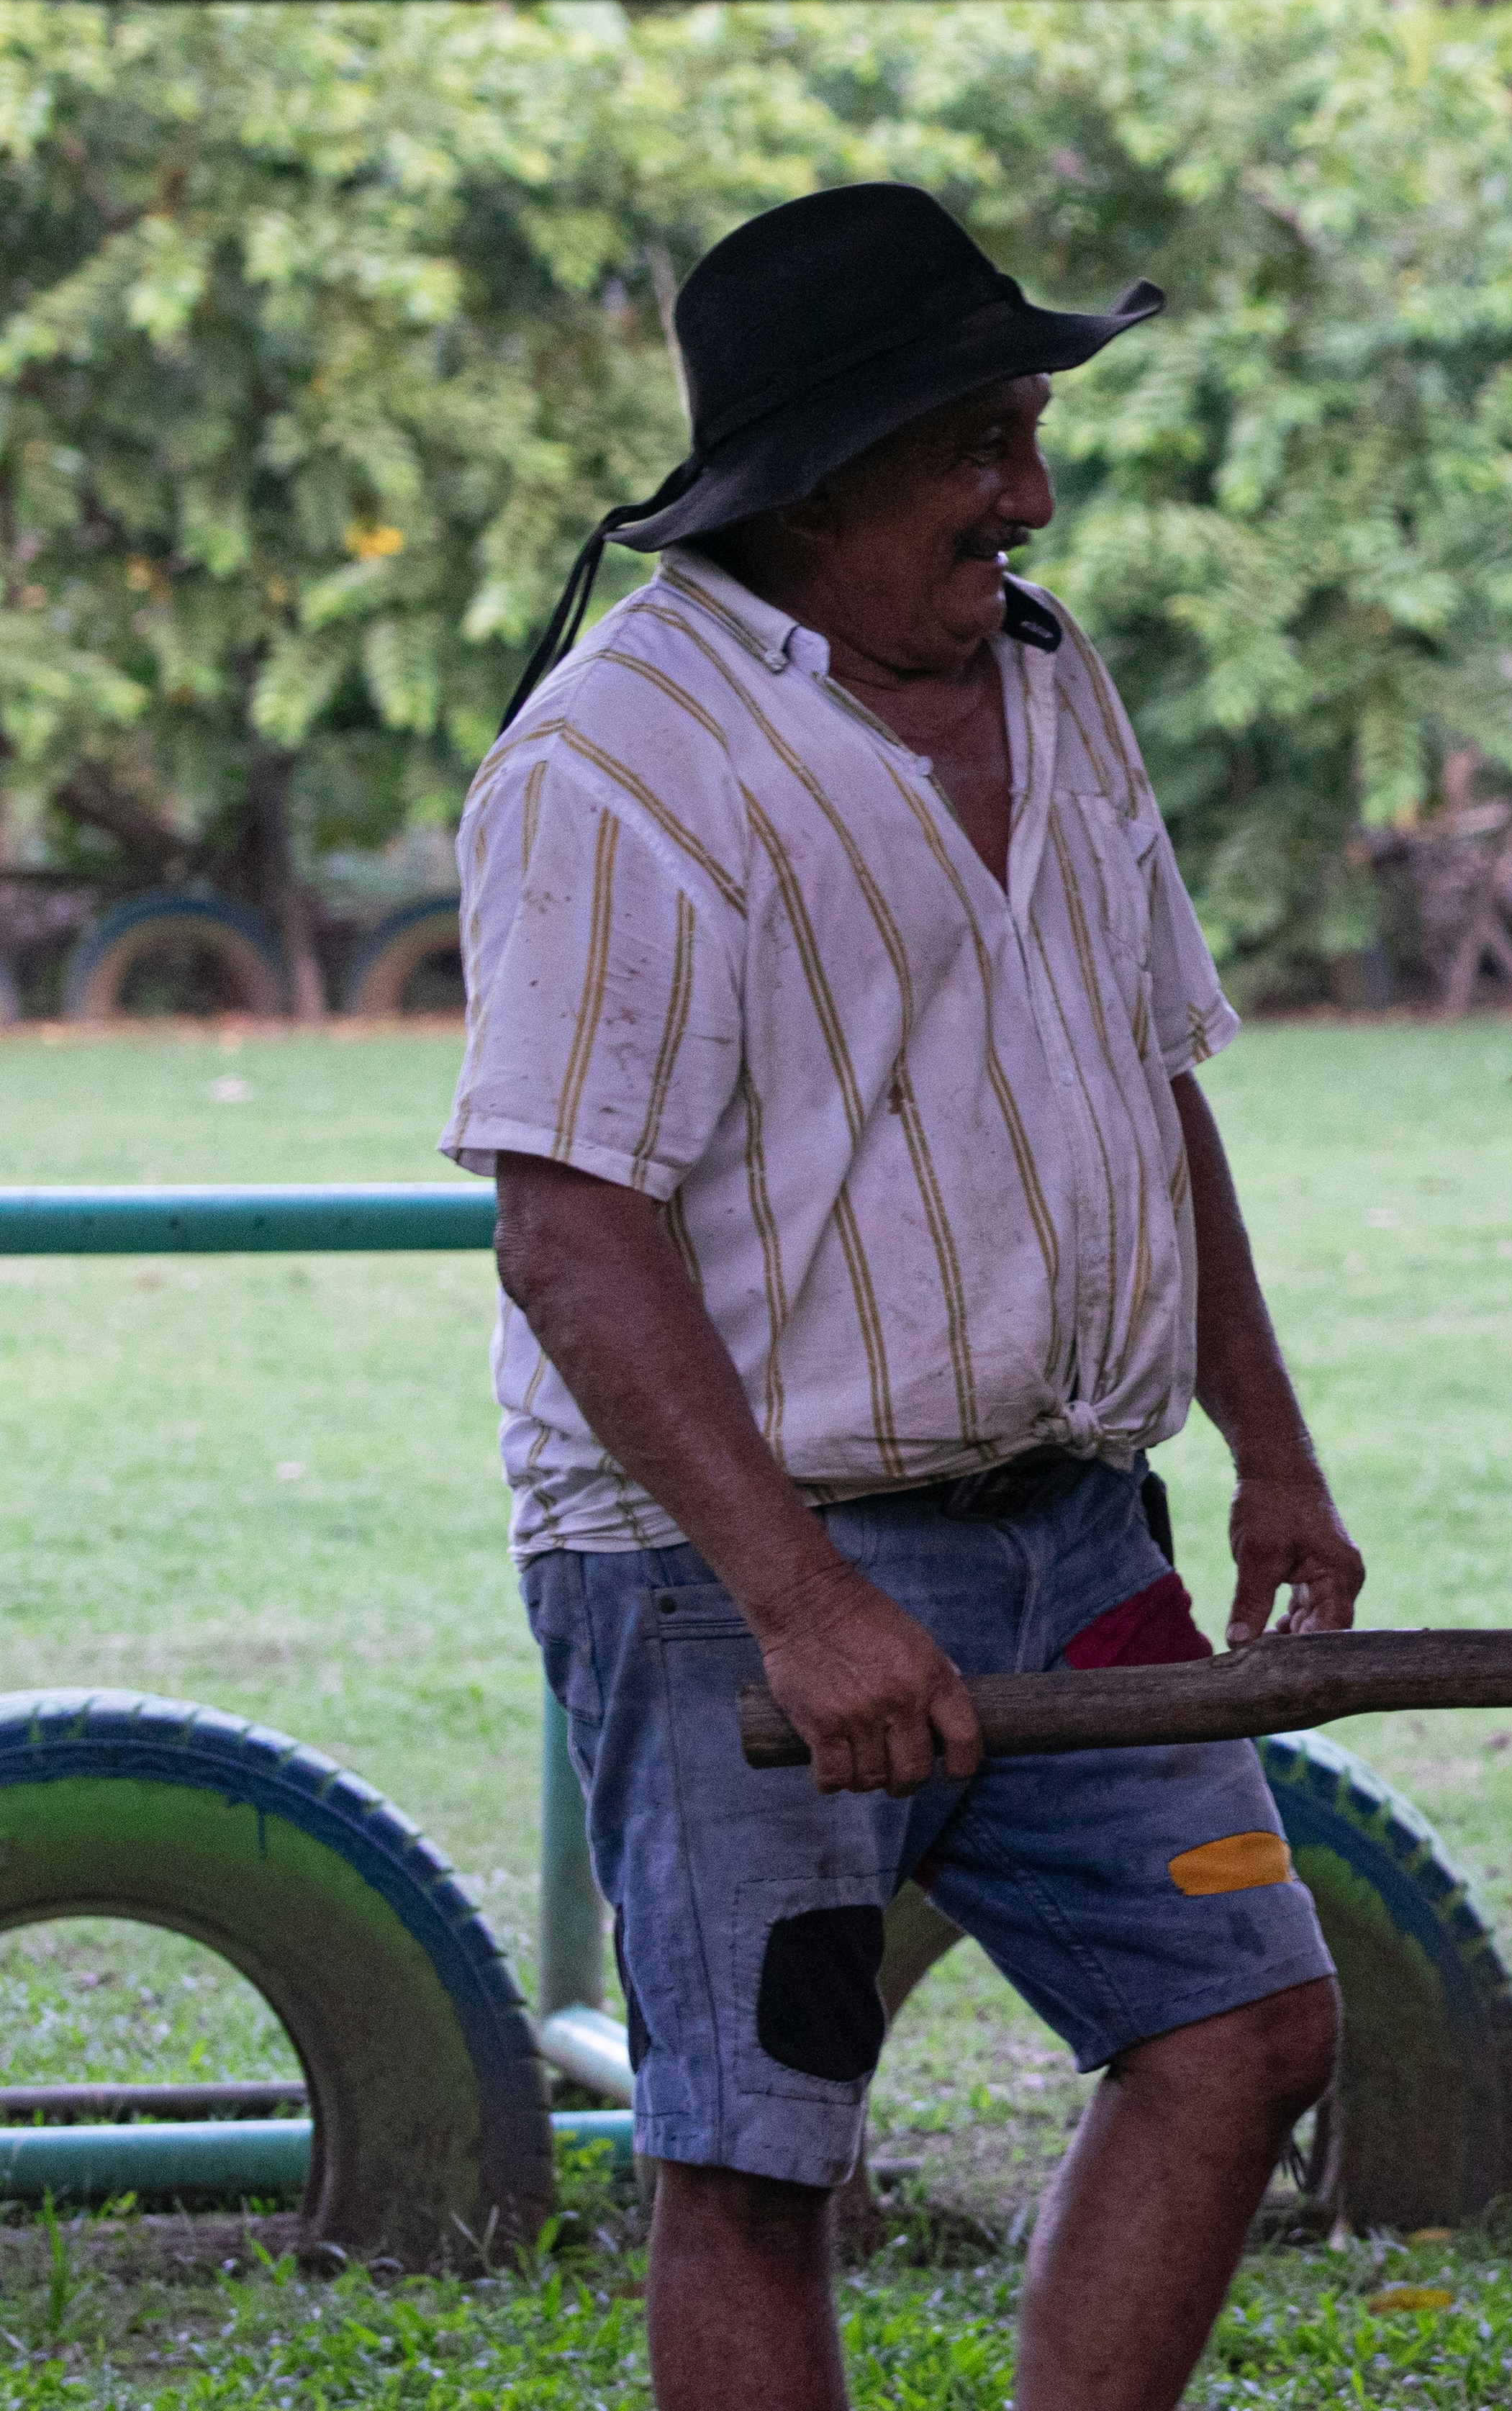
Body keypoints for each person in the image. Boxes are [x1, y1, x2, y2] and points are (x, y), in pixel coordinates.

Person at [448, 184, 1367, 2411]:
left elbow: (1154, 1081)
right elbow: (571, 1233)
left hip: (1078, 1532)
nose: (1027, 498)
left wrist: (1275, 1451)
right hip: (734, 1576)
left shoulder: (1052, 681)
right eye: (978, 447)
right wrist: (801, 1602)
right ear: (813, 475)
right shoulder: (611, 762)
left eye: (1030, 432)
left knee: (1245, 2027)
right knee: (758, 2159)